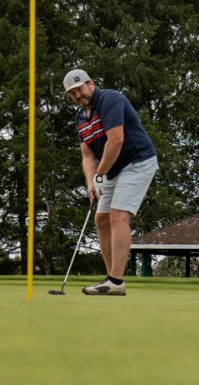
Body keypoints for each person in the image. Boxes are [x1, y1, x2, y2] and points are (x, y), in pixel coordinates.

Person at [63, 68, 158, 296]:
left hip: (137, 162)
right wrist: (91, 182)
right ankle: (110, 280)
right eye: (72, 93)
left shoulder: (110, 99)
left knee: (117, 215)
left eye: (79, 89)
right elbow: (87, 156)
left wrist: (100, 175)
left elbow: (116, 141)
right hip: (112, 170)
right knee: (102, 219)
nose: (78, 95)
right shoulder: (80, 118)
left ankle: (116, 281)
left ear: (91, 84)